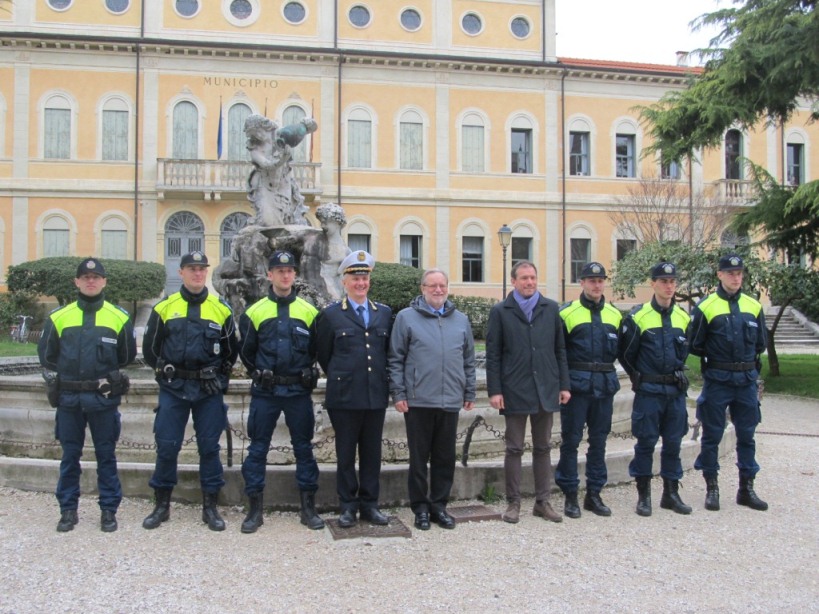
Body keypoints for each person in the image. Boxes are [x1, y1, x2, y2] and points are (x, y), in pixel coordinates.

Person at [141, 251, 239, 532]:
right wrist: (165, 373)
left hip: (207, 391)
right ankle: (162, 505)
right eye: (192, 269)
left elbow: (231, 351)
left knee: (209, 448)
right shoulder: (164, 308)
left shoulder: (221, 308)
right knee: (167, 446)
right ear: (181, 272)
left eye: (202, 269)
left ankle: (210, 507)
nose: (198, 274)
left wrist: (219, 378)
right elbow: (150, 350)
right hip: (174, 389)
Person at [38, 258, 136, 533]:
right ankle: (68, 510)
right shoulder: (59, 317)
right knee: (70, 456)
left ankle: (108, 510)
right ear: (76, 282)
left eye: (96, 277)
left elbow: (125, 356)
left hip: (103, 400)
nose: (90, 281)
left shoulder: (119, 317)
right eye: (85, 277)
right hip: (70, 400)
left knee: (107, 455)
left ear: (104, 281)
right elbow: (47, 356)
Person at [238, 250, 325, 533]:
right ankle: (254, 510)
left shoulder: (310, 312)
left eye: (289, 271)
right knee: (257, 449)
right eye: (279, 271)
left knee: (304, 449)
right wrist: (258, 372)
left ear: (295, 275)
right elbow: (247, 352)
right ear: (270, 275)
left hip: (298, 391)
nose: (285, 275)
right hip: (266, 392)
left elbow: (317, 351)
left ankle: (308, 508)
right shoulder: (254, 311)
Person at [388, 269, 476, 530]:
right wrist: (399, 393)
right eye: (432, 285)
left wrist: (469, 391)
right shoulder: (406, 318)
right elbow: (395, 359)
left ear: (447, 288)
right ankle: (420, 508)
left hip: (450, 399)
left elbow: (469, 360)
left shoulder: (460, 320)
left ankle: (439, 506)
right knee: (418, 458)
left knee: (445, 457)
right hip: (418, 400)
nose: (438, 290)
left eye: (442, 285)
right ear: (422, 288)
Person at [486, 260, 570, 524]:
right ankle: (513, 502)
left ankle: (543, 502)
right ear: (514, 281)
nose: (529, 282)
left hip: (546, 387)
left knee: (543, 447)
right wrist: (495, 390)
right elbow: (493, 355)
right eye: (524, 278)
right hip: (515, 389)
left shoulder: (551, 308)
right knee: (514, 448)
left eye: (533, 277)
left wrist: (564, 384)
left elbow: (560, 350)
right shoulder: (501, 311)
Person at [315, 250, 392, 528]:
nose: (361, 283)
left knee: (372, 454)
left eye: (364, 278)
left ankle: (370, 505)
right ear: (344, 281)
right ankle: (347, 505)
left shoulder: (383, 313)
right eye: (355, 278)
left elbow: (386, 352)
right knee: (346, 454)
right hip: (345, 397)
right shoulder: (332, 315)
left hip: (374, 396)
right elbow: (324, 354)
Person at [689, 253, 768, 512]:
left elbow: (760, 344)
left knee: (747, 435)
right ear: (720, 275)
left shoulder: (753, 306)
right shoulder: (706, 306)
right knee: (712, 435)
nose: (736, 277)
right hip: (718, 379)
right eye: (730, 273)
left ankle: (746, 488)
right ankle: (712, 487)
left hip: (745, 379)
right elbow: (696, 344)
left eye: (739, 273)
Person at [618, 262, 692, 517]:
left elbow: (685, 350)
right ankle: (644, 496)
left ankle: (671, 493)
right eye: (663, 281)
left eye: (672, 282)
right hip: (649, 390)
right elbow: (627, 355)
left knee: (673, 443)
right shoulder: (638, 317)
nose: (669, 286)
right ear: (653, 284)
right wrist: (638, 378)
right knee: (646, 443)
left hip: (675, 392)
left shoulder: (682, 316)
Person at [555, 262, 622, 519]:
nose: (596, 285)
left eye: (600, 280)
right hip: (577, 387)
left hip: (604, 386)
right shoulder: (567, 313)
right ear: (581, 283)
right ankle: (570, 493)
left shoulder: (614, 315)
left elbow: (621, 351)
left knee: (599, 442)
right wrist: (562, 385)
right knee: (570, 441)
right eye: (591, 280)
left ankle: (594, 493)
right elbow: (558, 353)